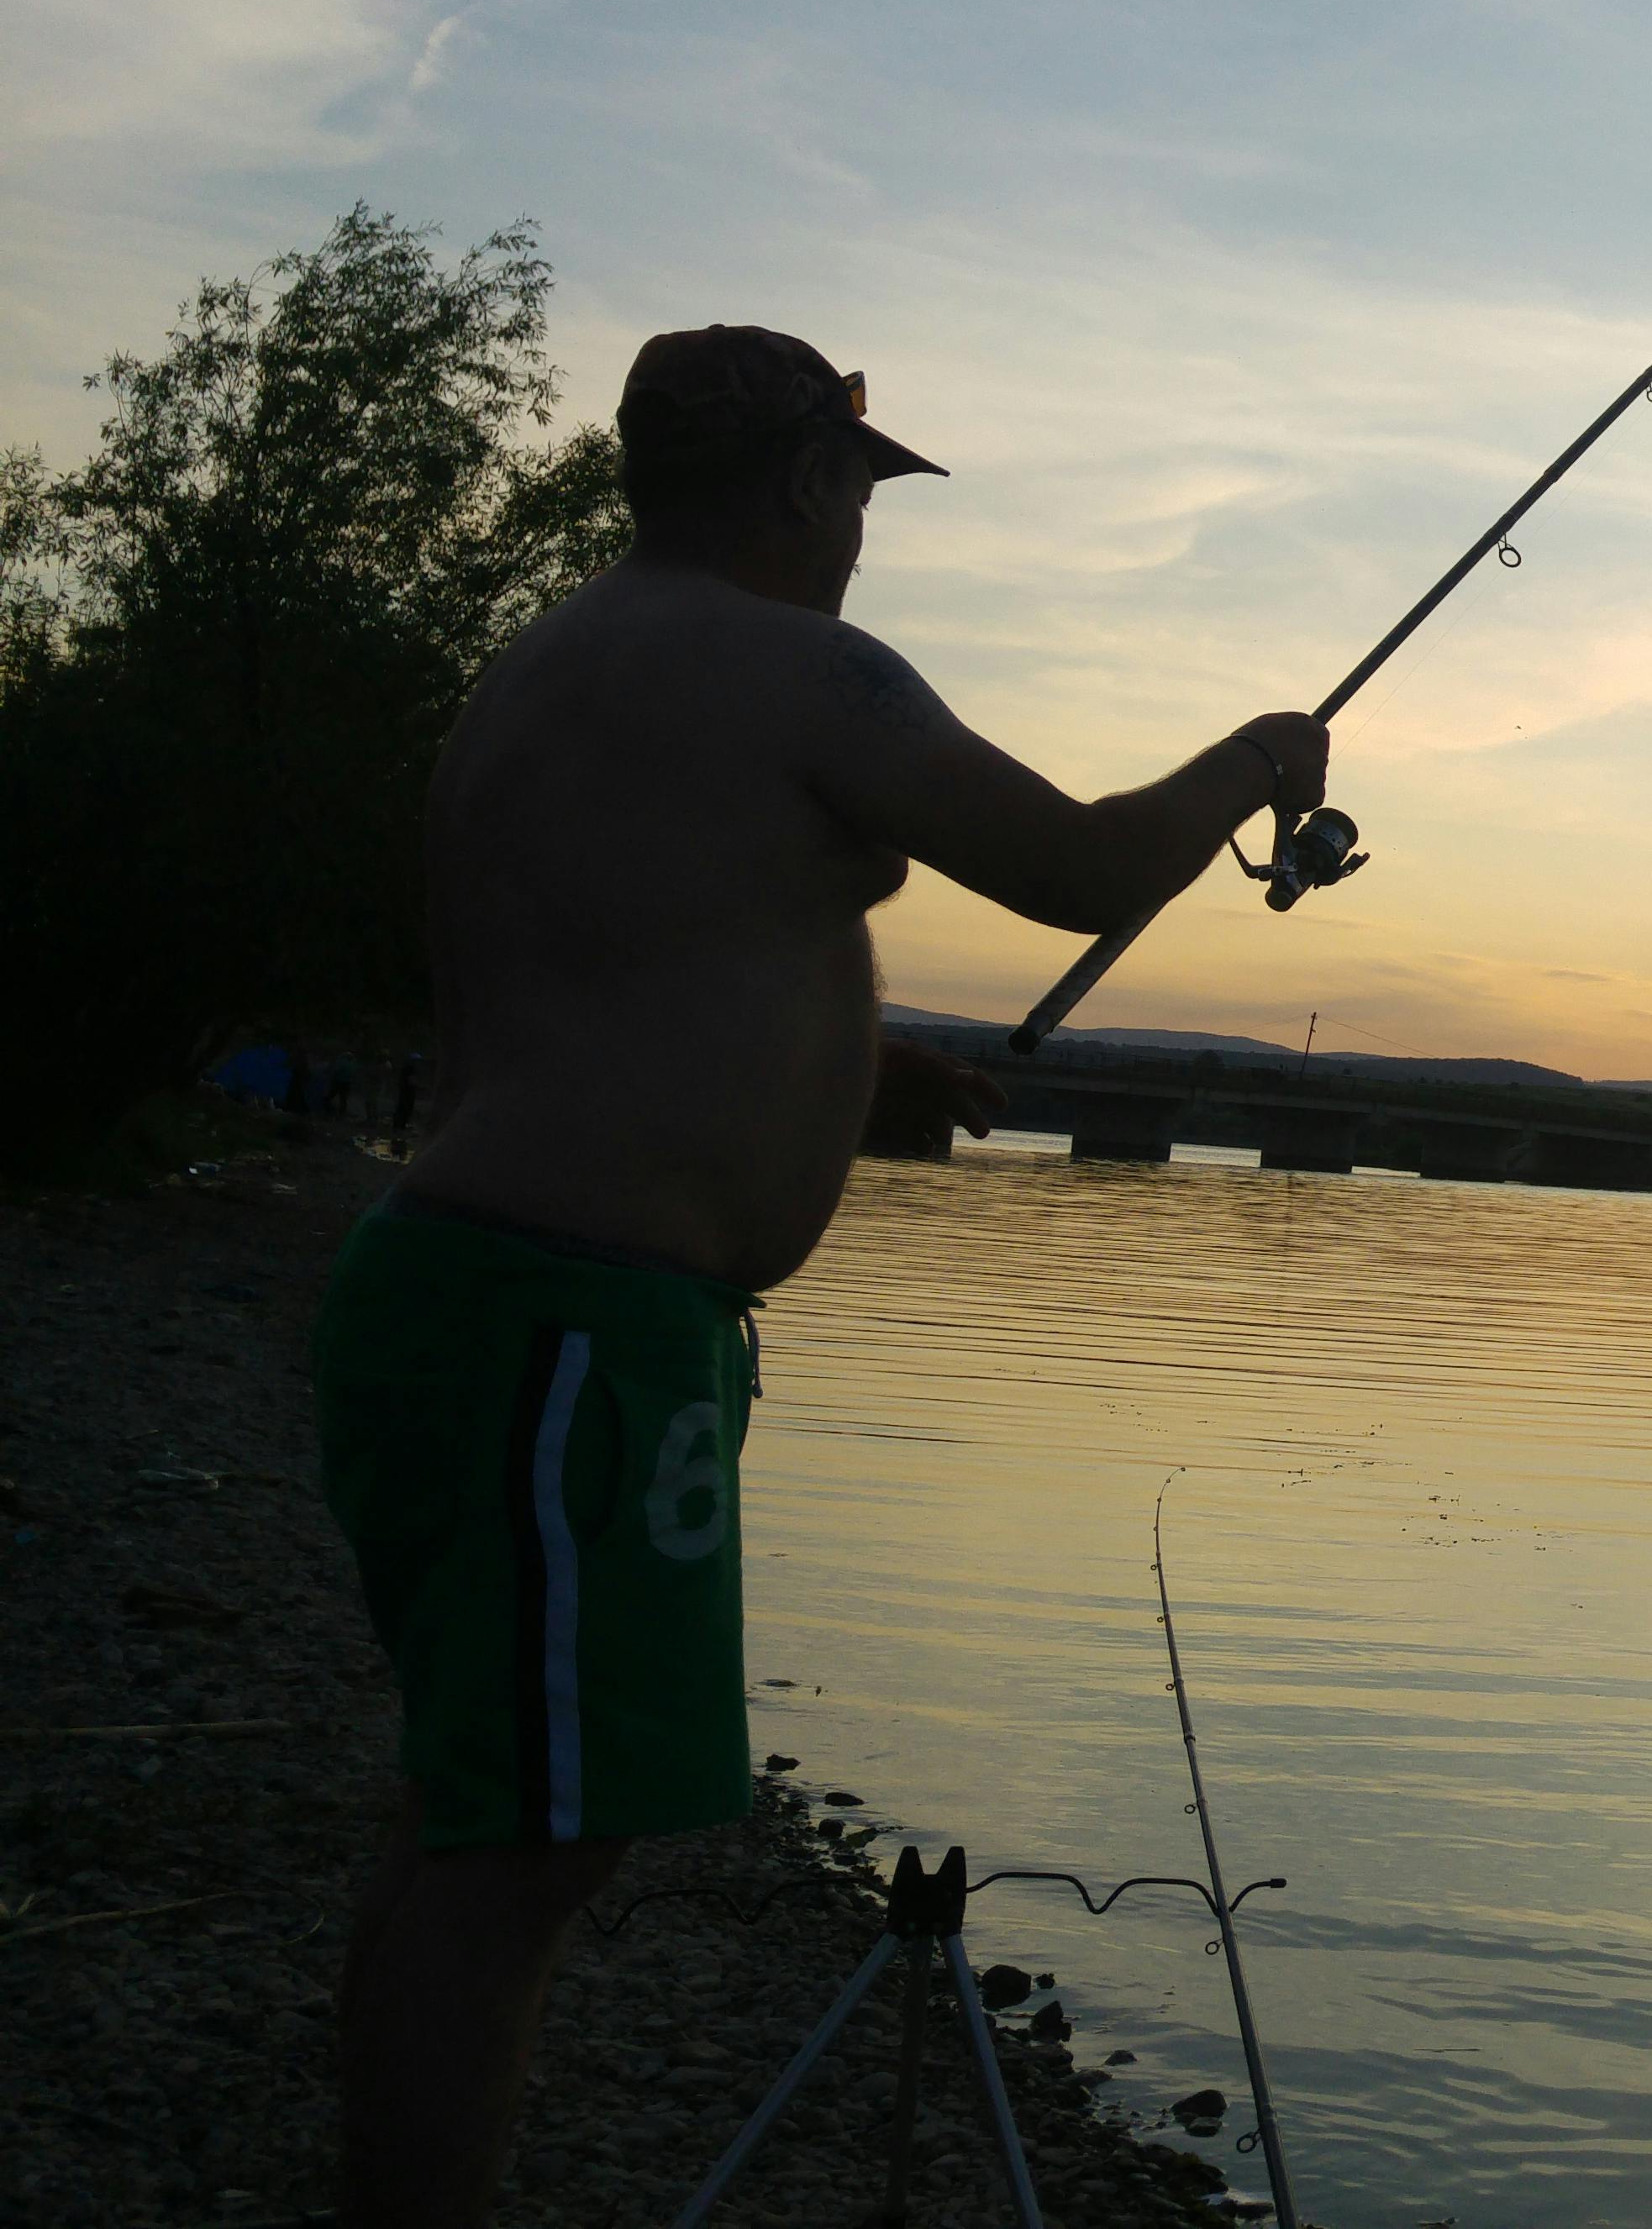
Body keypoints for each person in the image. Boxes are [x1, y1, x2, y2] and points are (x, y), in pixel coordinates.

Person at [308, 325, 1329, 2227]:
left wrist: (858, 1075)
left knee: (478, 1818)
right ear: (803, 482)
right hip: (561, 1334)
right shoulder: (800, 666)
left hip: (496, 1310)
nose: (864, 527)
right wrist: (1262, 756)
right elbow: (1091, 870)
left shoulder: (570, 660)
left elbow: (628, 972)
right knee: (523, 1857)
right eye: (861, 487)